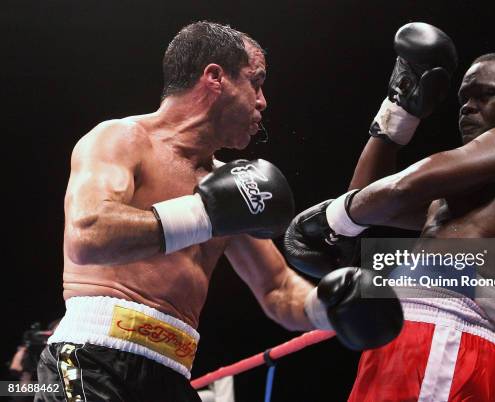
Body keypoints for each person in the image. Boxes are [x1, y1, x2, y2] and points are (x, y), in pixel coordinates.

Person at [35, 21, 403, 402]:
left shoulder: (235, 188)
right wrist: (206, 214)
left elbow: (277, 289)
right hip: (91, 358)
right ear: (215, 77)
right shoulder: (123, 138)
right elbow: (88, 235)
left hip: (171, 374)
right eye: (255, 82)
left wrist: (333, 307)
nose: (263, 102)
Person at [284, 22, 495, 401]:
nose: (468, 106)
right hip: (410, 333)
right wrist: (398, 113)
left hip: (446, 334)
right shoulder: (462, 200)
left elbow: (402, 188)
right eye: (464, 97)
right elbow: (370, 198)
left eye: (486, 95)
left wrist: (335, 219)